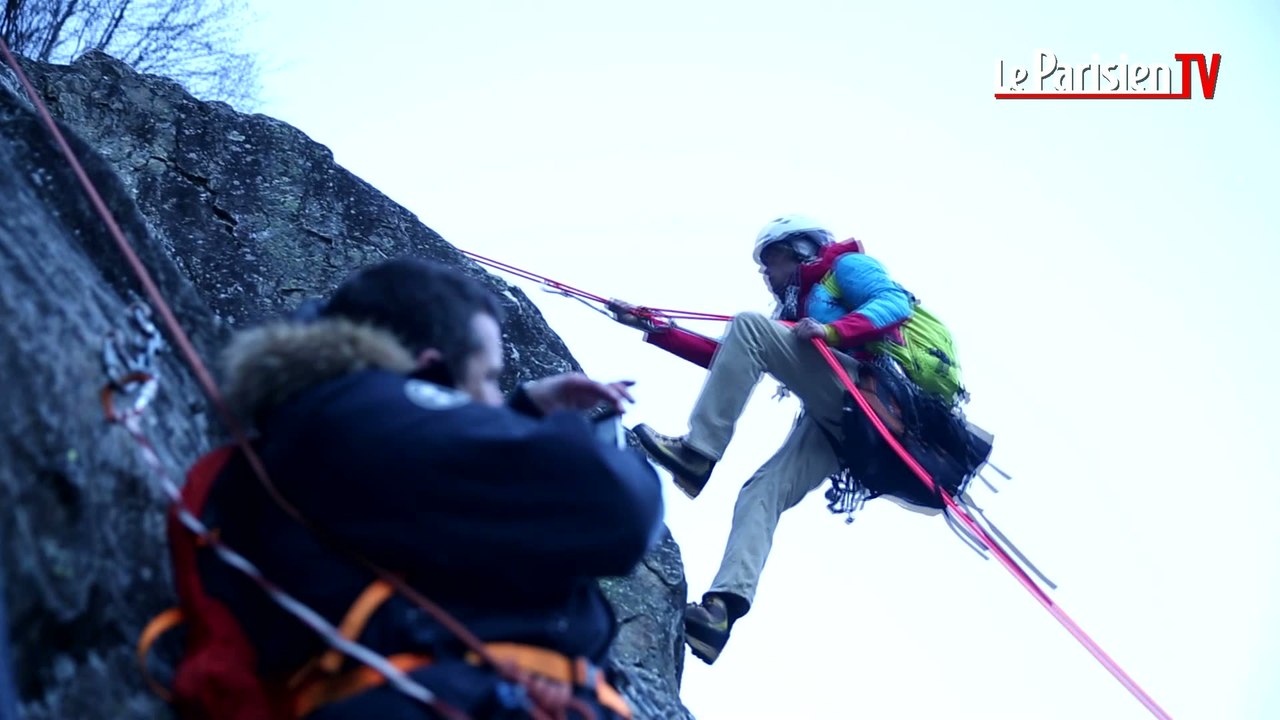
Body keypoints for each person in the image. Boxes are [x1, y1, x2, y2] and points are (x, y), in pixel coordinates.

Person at [189, 257, 663, 719]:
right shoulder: (361, 413)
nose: (494, 402)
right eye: (490, 378)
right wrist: (558, 438)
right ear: (430, 370)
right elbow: (617, 503)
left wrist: (523, 416)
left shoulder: (344, 424)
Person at [610, 214, 948, 666]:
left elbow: (894, 303)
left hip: (872, 393)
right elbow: (729, 355)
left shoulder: (844, 268)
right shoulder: (793, 313)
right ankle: (719, 613)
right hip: (846, 417)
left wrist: (831, 331)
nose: (767, 274)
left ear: (803, 251)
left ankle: (697, 454)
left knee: (749, 326)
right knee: (762, 491)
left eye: (772, 261)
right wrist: (655, 328)